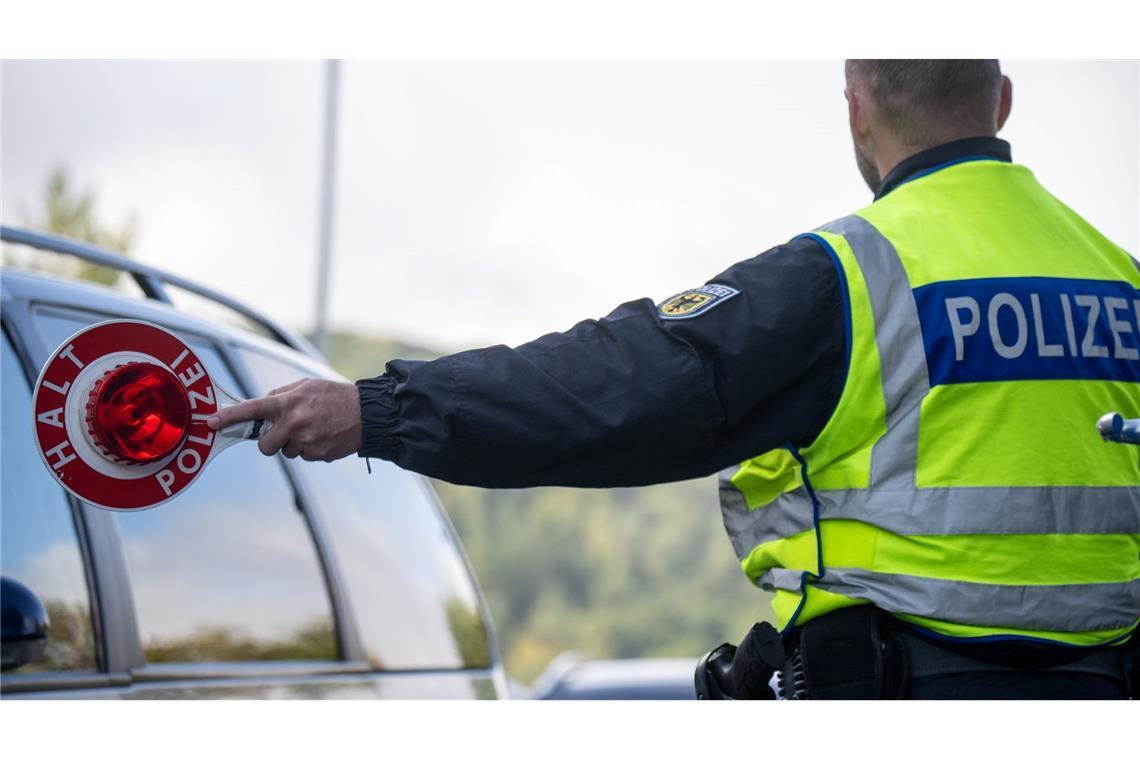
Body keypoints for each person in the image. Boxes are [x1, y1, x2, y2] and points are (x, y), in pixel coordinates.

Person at [209, 60, 1139, 699]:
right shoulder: (1120, 280)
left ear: (857, 108)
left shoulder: (847, 276)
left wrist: (377, 410)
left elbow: (613, 388)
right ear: (1001, 101)